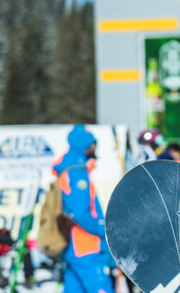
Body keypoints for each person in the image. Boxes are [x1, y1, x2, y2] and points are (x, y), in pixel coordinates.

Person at [52, 125, 114, 293]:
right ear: (87, 145)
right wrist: (104, 231)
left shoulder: (68, 168)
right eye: (94, 143)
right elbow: (80, 212)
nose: (96, 147)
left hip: (73, 247)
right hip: (87, 247)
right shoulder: (77, 172)